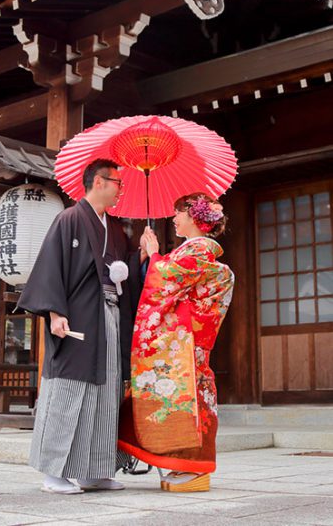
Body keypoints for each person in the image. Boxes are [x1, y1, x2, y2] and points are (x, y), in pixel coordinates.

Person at [18, 159, 141, 495]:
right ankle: (53, 472)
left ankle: (94, 470)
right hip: (76, 317)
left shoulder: (115, 229)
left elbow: (122, 271)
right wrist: (55, 312)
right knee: (68, 389)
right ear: (98, 182)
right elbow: (51, 267)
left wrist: (140, 256)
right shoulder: (69, 219)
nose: (121, 189)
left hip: (109, 316)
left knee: (106, 390)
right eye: (118, 182)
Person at [117, 193, 234, 493]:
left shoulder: (197, 251)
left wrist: (155, 253)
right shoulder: (194, 251)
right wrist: (149, 256)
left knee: (190, 404)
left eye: (178, 213)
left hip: (184, 344)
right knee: (187, 403)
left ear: (195, 217)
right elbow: (163, 280)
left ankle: (195, 469)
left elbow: (163, 280)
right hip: (185, 342)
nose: (173, 218)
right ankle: (183, 464)